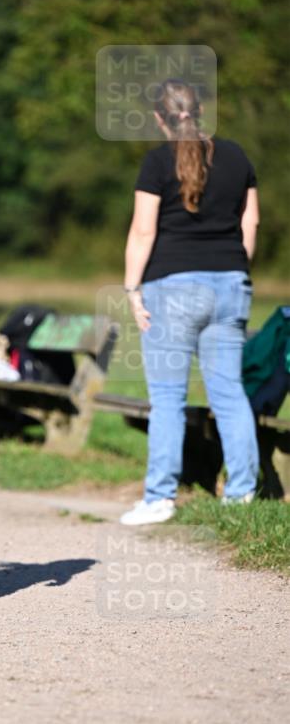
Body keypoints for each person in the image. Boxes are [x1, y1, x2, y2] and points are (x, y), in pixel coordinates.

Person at [120, 79, 260, 525]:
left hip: (172, 288)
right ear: (200, 112)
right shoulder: (237, 156)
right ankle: (241, 494)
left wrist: (131, 288)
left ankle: (160, 498)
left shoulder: (156, 162)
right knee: (230, 393)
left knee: (166, 398)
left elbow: (144, 231)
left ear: (161, 118)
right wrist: (237, 268)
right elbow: (250, 222)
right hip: (231, 285)